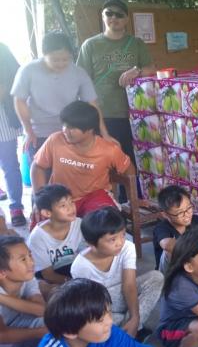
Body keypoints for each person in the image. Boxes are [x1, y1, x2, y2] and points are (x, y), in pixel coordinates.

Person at [25, 278, 160, 347]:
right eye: (100, 320)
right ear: (70, 332)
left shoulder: (110, 333)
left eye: (109, 312)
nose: (110, 321)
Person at [11, 31, 113, 159]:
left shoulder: (79, 73)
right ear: (44, 54)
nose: (61, 64)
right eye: (55, 60)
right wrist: (28, 130)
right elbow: (19, 100)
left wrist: (105, 134)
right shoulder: (28, 71)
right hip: (39, 133)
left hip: (70, 133)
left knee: (72, 169)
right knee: (41, 169)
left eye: (65, 59)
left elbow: (92, 104)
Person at [77, 0, 154, 163]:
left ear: (126, 19)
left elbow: (151, 68)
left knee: (131, 161)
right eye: (109, 13)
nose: (114, 17)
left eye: (119, 15)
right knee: (105, 163)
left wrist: (137, 71)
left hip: (134, 112)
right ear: (102, 16)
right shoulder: (90, 45)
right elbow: (81, 80)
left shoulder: (136, 43)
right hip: (102, 114)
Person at [70, 207, 163, 342]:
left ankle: (131, 327)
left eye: (123, 235)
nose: (120, 242)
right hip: (104, 304)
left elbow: (129, 285)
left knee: (156, 277)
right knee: (90, 321)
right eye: (112, 239)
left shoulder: (127, 247)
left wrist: (135, 317)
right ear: (91, 243)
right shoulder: (80, 266)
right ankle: (131, 330)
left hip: (126, 293)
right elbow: (92, 304)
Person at [30, 101, 133, 220]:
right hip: (59, 198)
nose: (65, 130)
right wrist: (39, 199)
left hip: (94, 197)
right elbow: (37, 167)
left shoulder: (109, 150)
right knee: (39, 219)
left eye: (72, 128)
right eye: (64, 125)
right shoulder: (55, 140)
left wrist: (132, 199)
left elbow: (129, 169)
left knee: (103, 221)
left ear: (89, 129)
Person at [0, 235, 46, 347]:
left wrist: (3, 298)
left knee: (53, 320)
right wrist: (39, 332)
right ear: (2, 272)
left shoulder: (26, 278)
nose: (31, 262)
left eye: (29, 255)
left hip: (13, 333)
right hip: (3, 342)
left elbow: (42, 310)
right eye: (23, 259)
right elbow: (2, 336)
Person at [27, 184, 85, 299]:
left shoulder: (80, 224)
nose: (70, 208)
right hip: (51, 276)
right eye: (63, 205)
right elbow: (47, 274)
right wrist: (76, 283)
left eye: (71, 202)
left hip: (74, 268)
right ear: (47, 213)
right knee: (53, 292)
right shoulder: (38, 237)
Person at [0, 43, 26, 226]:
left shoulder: (2, 50)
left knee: (10, 164)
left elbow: (16, 79)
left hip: (4, 117)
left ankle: (16, 207)